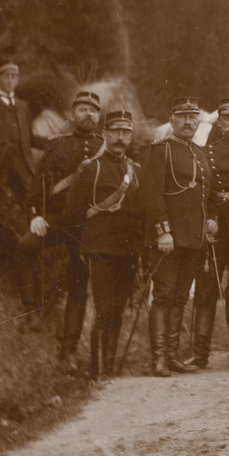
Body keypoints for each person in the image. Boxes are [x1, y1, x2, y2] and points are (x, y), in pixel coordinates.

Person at [63, 110, 143, 380]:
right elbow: (72, 215)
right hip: (101, 250)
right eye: (116, 132)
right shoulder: (91, 168)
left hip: (129, 250)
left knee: (118, 311)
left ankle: (109, 371)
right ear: (105, 134)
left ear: (131, 136)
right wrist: (80, 250)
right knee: (104, 310)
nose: (121, 138)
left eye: (126, 132)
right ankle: (98, 374)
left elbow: (141, 212)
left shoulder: (135, 170)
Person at [142, 96, 217, 377]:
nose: (188, 122)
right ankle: (159, 358)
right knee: (163, 296)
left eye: (192, 117)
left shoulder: (200, 153)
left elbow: (207, 195)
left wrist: (211, 220)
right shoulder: (160, 150)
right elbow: (151, 195)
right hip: (168, 239)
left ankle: (173, 356)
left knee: (181, 296)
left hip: (193, 240)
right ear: (172, 120)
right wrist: (163, 232)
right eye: (182, 117)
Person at [29, 90, 105, 370]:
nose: (88, 114)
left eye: (93, 110)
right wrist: (36, 215)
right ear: (72, 115)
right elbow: (40, 183)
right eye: (82, 109)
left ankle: (69, 351)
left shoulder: (105, 146)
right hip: (58, 220)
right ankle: (32, 310)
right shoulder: (58, 145)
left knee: (78, 284)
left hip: (87, 226)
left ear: (98, 116)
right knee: (25, 246)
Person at [0, 60, 50, 326]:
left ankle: (32, 264)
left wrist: (51, 142)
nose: (10, 81)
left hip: (23, 169)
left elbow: (29, 138)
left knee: (33, 215)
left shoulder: (22, 106)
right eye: (6, 76)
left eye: (14, 76)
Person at [186, 98, 229, 368]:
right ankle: (200, 352)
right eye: (227, 118)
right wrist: (208, 219)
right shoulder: (207, 151)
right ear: (220, 122)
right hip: (215, 223)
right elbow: (203, 190)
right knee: (206, 287)